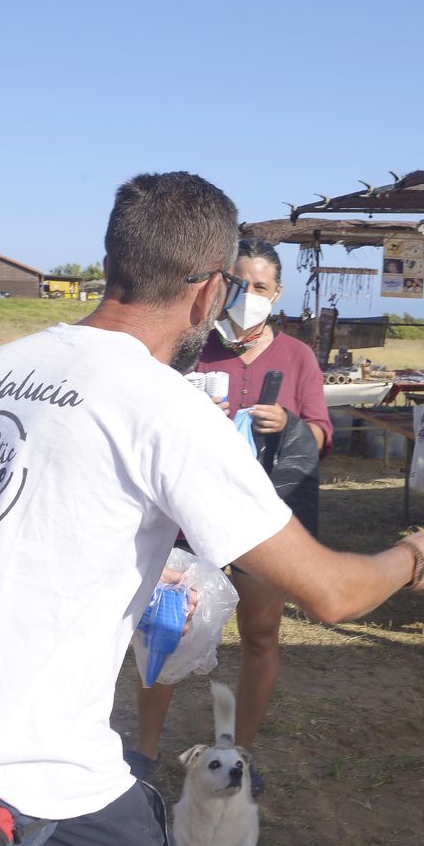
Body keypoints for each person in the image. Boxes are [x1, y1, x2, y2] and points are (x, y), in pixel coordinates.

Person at [0, 171, 424, 846]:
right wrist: (415, 557)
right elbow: (330, 590)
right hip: (55, 799)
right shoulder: (161, 404)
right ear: (209, 290)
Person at [128, 237, 331, 796]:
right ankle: (145, 750)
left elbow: (320, 434)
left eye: (261, 287)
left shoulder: (297, 358)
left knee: (261, 636)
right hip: (187, 520)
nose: (249, 297)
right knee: (167, 627)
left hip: (260, 523)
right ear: (222, 285)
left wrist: (287, 424)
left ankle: (238, 755)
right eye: (239, 285)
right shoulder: (191, 349)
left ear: (278, 293)